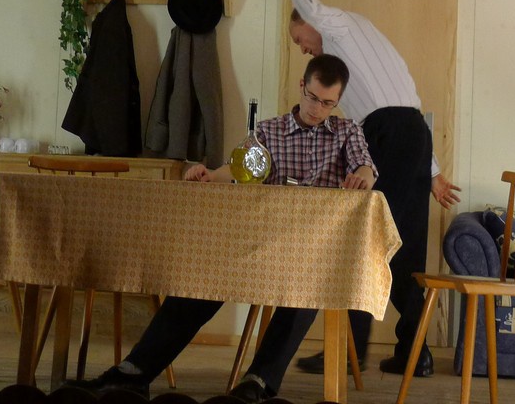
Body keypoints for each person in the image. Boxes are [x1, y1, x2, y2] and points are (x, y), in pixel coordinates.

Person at [72, 54, 377, 404]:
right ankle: (134, 372)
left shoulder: (347, 132)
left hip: (312, 255)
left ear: (337, 102)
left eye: (327, 103)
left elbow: (365, 166)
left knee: (307, 284)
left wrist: (362, 177)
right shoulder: (270, 131)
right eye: (312, 97)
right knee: (203, 275)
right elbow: (239, 169)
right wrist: (209, 175)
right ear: (302, 87)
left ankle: (258, 383)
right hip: (262, 244)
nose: (317, 108)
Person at [270, 0, 462, 379]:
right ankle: (413, 353)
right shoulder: (361, 41)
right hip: (409, 136)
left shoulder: (338, 27)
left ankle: (349, 351)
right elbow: (407, 109)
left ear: (309, 26)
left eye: (300, 41)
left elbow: (315, 10)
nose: (304, 50)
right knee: (403, 249)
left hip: (389, 136)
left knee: (361, 242)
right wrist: (431, 171)